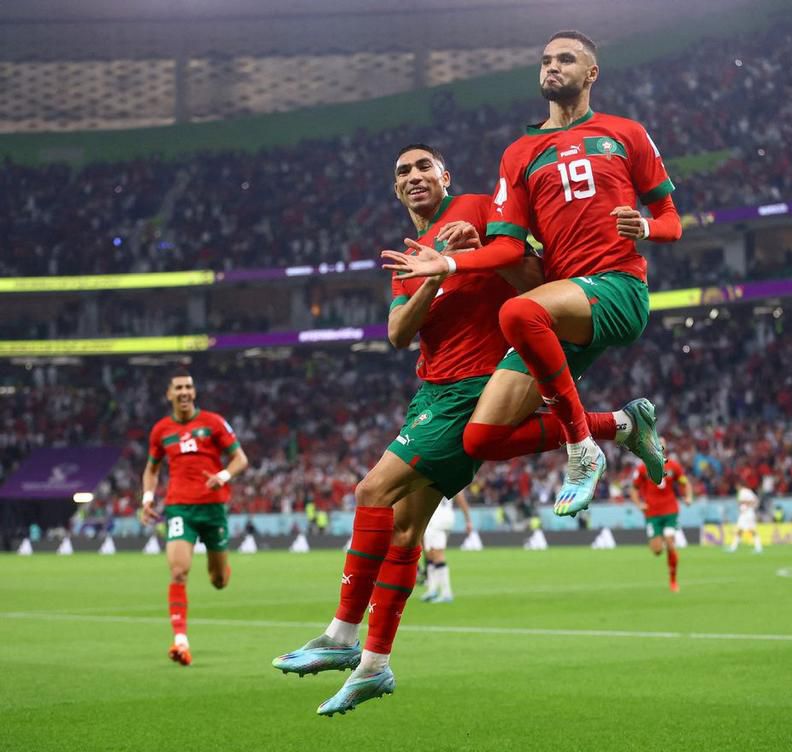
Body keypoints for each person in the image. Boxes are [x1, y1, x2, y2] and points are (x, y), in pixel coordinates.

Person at [272, 144, 653, 715]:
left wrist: (477, 255)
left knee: (371, 492)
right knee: (403, 531)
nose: (414, 176)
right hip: (432, 391)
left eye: (424, 166)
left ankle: (341, 637)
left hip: (475, 386)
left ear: (446, 175)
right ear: (396, 189)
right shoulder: (412, 253)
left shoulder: (479, 207)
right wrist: (431, 274)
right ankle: (375, 667)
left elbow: (537, 274)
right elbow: (399, 332)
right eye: (403, 171)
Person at [382, 30, 681, 518]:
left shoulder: (626, 133)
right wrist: (452, 262)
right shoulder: (519, 154)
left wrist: (646, 227)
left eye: (566, 59)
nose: (552, 66)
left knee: (517, 311)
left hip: (617, 286)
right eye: (545, 60)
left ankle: (582, 450)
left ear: (591, 73)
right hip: (557, 304)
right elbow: (506, 248)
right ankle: (625, 425)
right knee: (482, 438)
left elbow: (672, 220)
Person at [140, 367, 249, 666]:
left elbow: (240, 458)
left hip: (213, 509)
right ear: (169, 394)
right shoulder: (161, 430)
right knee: (178, 572)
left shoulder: (213, 423)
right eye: (178, 388)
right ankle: (180, 642)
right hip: (179, 508)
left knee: (217, 581)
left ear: (194, 391)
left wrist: (223, 475)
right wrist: (148, 499)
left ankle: (222, 569)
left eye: (188, 386)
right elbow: (152, 469)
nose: (184, 392)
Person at [629, 445, 692, 591]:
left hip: (670, 510)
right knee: (657, 551)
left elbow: (684, 482)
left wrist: (688, 497)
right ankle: (662, 538)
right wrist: (639, 505)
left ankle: (673, 581)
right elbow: (634, 489)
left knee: (670, 543)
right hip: (652, 513)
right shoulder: (642, 468)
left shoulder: (673, 466)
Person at [421, 491, 473, 602]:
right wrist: (467, 519)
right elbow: (460, 497)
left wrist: (468, 520)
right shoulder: (452, 477)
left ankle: (446, 593)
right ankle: (432, 589)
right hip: (446, 518)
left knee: (437, 554)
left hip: (437, 519)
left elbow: (460, 497)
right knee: (430, 554)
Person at [727, 485, 763, 553]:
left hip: (747, 514)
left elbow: (752, 501)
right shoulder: (748, 492)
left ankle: (758, 547)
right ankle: (733, 547)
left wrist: (745, 504)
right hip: (747, 513)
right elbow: (755, 501)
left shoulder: (743, 492)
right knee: (740, 530)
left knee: (751, 530)